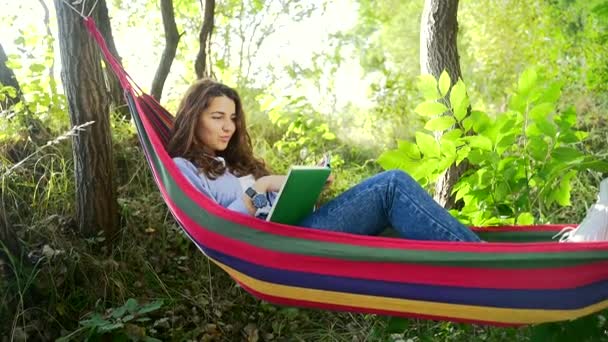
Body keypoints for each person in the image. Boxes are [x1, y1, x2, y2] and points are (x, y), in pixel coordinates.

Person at [167, 78, 481, 242]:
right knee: (391, 186)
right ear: (195, 119)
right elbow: (216, 230)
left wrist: (304, 187)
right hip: (276, 248)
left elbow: (279, 209)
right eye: (218, 117)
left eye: (233, 118)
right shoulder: (184, 169)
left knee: (395, 218)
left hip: (296, 231)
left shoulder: (234, 164)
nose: (228, 127)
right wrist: (261, 187)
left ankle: (480, 262)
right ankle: (483, 262)